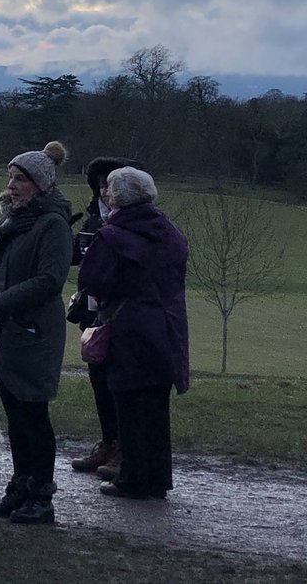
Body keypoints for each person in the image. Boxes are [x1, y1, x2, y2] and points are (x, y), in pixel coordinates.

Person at [79, 167, 189, 500]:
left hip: (130, 328)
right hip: (168, 326)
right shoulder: (169, 231)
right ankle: (158, 479)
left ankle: (132, 478)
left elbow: (92, 280)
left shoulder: (112, 236)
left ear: (117, 197)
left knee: (127, 403)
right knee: (157, 407)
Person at [0, 141, 73, 525]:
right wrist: (1, 232)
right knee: (16, 415)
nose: (13, 185)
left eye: (21, 179)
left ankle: (41, 496)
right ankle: (19, 487)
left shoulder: (52, 225)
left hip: (36, 334)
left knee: (34, 415)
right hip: (9, 333)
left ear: (41, 184)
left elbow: (50, 281)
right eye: (11, 177)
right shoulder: (15, 222)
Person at [67, 156, 143, 479]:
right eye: (98, 186)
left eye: (107, 186)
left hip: (122, 315)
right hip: (94, 315)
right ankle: (109, 443)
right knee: (99, 381)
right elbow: (74, 254)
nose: (102, 192)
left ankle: (123, 450)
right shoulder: (93, 220)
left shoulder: (129, 223)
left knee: (121, 385)